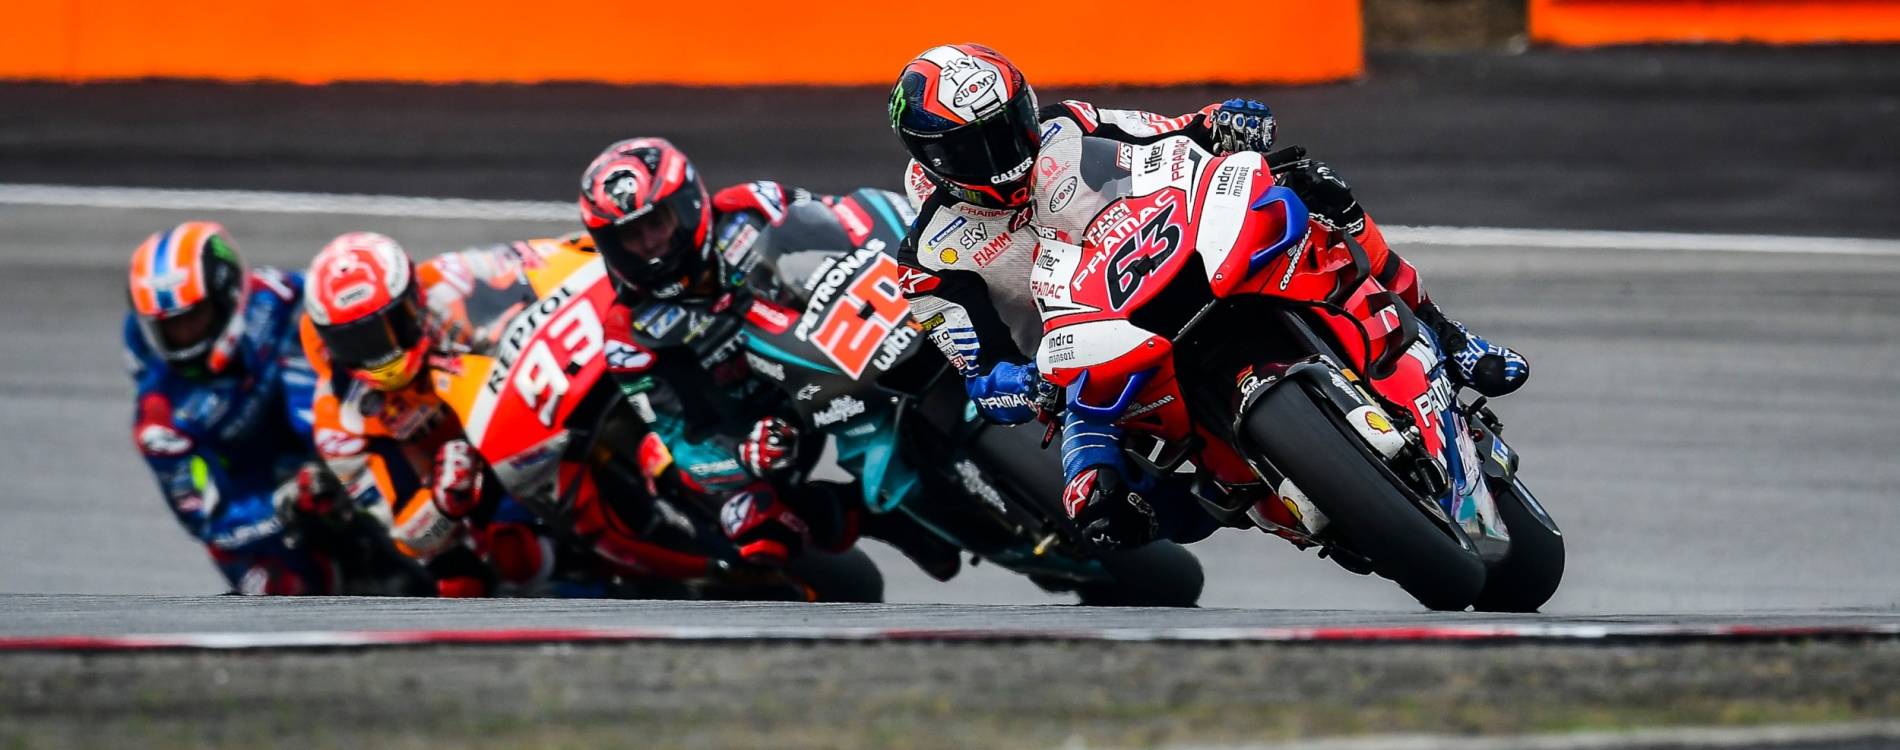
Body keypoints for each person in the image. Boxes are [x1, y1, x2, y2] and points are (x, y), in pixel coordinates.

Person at [887, 43, 1530, 549]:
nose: (1007, 150)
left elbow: (1177, 134)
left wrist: (1227, 122)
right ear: (937, 158)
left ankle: (1445, 335)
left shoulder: (1070, 125)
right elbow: (979, 371)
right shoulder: (932, 256)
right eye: (978, 145)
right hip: (1092, 364)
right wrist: (1020, 386)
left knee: (1309, 184)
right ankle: (1251, 494)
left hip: (1171, 255)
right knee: (1114, 510)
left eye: (1011, 124)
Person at [578, 137, 960, 577]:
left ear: (686, 206)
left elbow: (846, 224)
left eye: (656, 223)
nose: (649, 244)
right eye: (630, 236)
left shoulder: (750, 206)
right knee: (753, 525)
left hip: (835, 344)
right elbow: (679, 437)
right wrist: (743, 453)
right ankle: (878, 520)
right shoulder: (630, 332)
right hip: (766, 425)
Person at [301, 231, 580, 596]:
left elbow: (544, 260)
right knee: (491, 569)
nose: (379, 352)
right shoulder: (338, 420)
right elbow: (404, 532)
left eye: (390, 325)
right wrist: (442, 500)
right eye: (357, 341)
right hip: (464, 478)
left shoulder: (453, 279)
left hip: (526, 399)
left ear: (413, 299)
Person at [124, 221, 335, 594]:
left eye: (193, 319)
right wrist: (284, 504)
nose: (184, 337)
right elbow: (206, 521)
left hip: (322, 442)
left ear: (229, 294)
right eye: (170, 328)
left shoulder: (273, 296)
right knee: (280, 590)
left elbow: (341, 298)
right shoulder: (161, 419)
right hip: (262, 511)